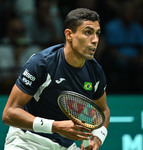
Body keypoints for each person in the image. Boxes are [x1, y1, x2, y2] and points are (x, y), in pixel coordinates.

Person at [2, 8, 110, 150]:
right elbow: (9, 113)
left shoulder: (95, 72)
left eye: (97, 33)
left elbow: (103, 111)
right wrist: (56, 126)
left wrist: (97, 139)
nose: (95, 40)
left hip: (64, 146)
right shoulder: (42, 63)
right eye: (88, 32)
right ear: (69, 34)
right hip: (27, 140)